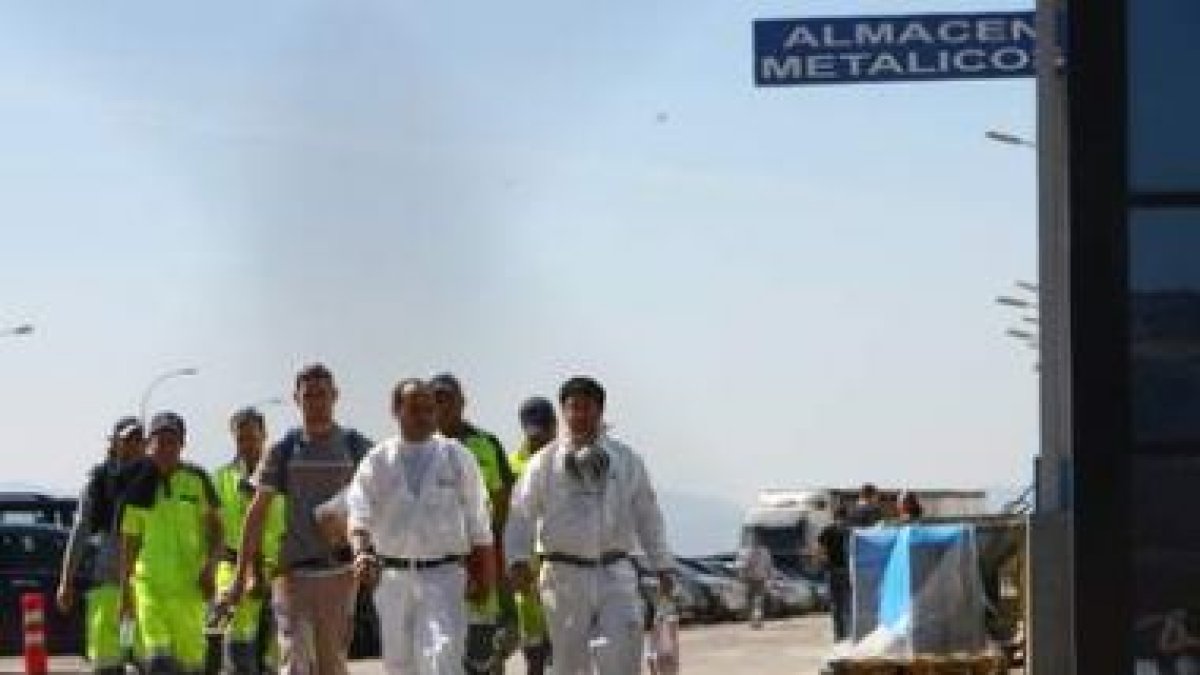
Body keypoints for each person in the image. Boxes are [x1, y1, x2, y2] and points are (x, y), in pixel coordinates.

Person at [506, 376, 674, 675]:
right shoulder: (544, 464)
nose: (579, 415)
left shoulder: (625, 460)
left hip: (616, 573)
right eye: (572, 408)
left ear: (601, 410)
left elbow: (647, 514)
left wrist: (662, 565)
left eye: (587, 408)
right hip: (563, 577)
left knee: (622, 656)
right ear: (563, 411)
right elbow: (521, 512)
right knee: (570, 664)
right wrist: (517, 559)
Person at [221, 363, 373, 675]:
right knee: (294, 663)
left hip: (339, 575)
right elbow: (257, 512)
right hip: (292, 574)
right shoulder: (283, 449)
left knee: (332, 664)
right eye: (308, 395)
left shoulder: (354, 446)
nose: (316, 402)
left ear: (335, 396)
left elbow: (382, 496)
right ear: (296, 399)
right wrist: (239, 577)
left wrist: (363, 543)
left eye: (322, 394)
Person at [345, 378, 496, 675]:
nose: (425, 416)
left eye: (430, 409)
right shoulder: (377, 462)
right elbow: (359, 513)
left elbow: (479, 522)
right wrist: (361, 553)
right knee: (401, 665)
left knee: (442, 657)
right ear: (396, 410)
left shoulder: (456, 457)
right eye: (415, 409)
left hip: (445, 577)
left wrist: (486, 574)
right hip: (393, 580)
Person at [119, 412, 223, 674]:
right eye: (158, 441)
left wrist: (211, 567)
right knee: (158, 662)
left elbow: (219, 532)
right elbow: (129, 540)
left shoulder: (197, 480)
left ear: (182, 444)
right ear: (148, 444)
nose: (164, 448)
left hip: (190, 592)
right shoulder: (136, 485)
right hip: (149, 589)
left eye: (171, 441)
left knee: (191, 665)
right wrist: (125, 592)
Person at [430, 373, 517, 674]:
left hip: (481, 562)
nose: (442, 405)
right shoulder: (416, 448)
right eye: (435, 398)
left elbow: (504, 507)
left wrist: (500, 568)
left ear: (462, 402)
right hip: (435, 568)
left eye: (448, 398)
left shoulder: (486, 444)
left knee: (484, 657)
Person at [57, 417, 148, 675]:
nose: (133, 446)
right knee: (108, 662)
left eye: (138, 440)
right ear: (115, 442)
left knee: (145, 661)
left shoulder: (157, 478)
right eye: (127, 439)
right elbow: (80, 531)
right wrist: (66, 580)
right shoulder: (98, 481)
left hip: (144, 588)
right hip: (107, 586)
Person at [212, 408, 286, 674]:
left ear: (264, 436)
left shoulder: (283, 476)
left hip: (277, 571)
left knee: (274, 657)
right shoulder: (220, 479)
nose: (248, 445)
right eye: (241, 439)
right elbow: (212, 530)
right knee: (239, 650)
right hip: (233, 571)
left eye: (253, 438)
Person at [509, 397, 558, 675]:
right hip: (527, 566)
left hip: (560, 563)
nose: (539, 441)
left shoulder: (567, 459)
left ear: (555, 426)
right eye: (533, 434)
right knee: (535, 650)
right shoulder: (514, 464)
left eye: (544, 432)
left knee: (566, 646)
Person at [817, 506, 852, 642]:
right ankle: (848, 635)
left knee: (836, 605)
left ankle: (839, 636)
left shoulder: (828, 530)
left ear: (834, 516)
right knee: (847, 604)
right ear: (846, 516)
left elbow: (819, 549)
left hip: (832, 571)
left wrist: (823, 562)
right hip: (847, 571)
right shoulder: (850, 531)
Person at [736, 535, 774, 629]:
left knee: (750, 601)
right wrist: (769, 577)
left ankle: (754, 621)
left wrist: (741, 577)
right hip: (761, 578)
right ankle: (757, 620)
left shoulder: (745, 552)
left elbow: (742, 566)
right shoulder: (765, 552)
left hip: (750, 579)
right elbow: (769, 566)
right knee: (758, 601)